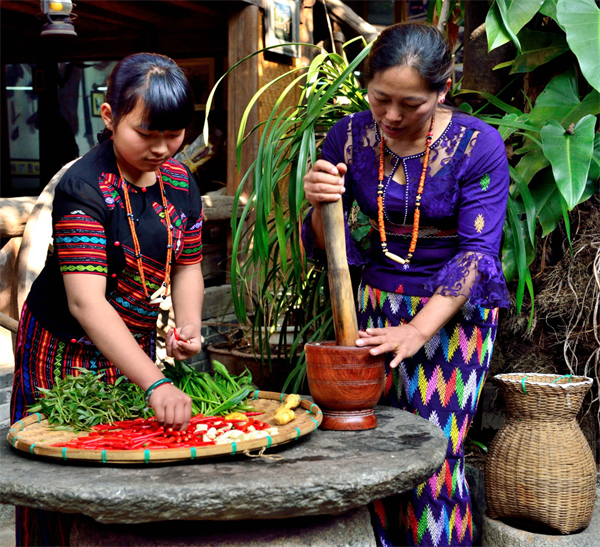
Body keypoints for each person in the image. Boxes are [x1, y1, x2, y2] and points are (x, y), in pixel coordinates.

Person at [303, 23, 510, 547]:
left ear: (442, 91)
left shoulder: (477, 145)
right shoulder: (349, 137)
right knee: (369, 450)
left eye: (410, 104)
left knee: (433, 457)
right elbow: (327, 243)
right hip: (372, 307)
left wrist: (417, 331)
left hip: (452, 320)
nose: (392, 116)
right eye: (380, 99)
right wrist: (317, 204)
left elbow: (475, 254)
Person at [10, 52, 204, 547]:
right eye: (147, 133)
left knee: (125, 464)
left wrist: (189, 327)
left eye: (174, 134)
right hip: (64, 348)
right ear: (110, 117)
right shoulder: (83, 188)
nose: (162, 148)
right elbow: (86, 304)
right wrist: (156, 382)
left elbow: (188, 265)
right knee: (62, 470)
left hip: (129, 346)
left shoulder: (181, 182)